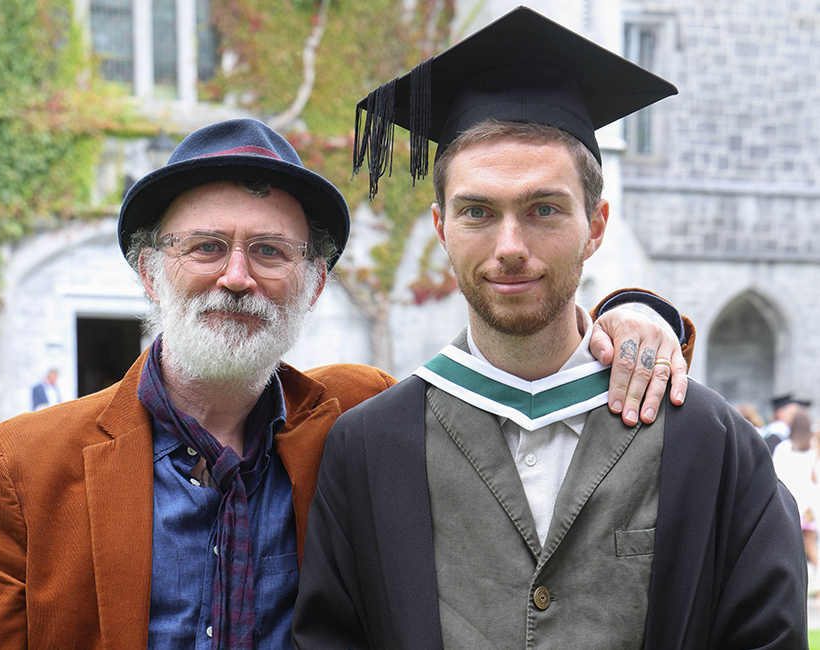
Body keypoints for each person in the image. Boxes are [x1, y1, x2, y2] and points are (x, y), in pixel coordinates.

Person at [0, 118, 690, 649]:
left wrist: (632, 313)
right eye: (206, 247)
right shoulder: (24, 467)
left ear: (314, 282)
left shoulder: (357, 420)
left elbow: (513, 379)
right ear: (148, 270)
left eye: (270, 251)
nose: (237, 276)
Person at [293, 8, 806, 649]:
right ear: (441, 228)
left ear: (596, 226)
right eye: (477, 211)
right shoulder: (370, 450)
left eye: (544, 209)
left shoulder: (707, 442)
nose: (510, 246)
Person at [773, 408, 820, 592]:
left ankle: (793, 590)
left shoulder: (784, 448)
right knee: (811, 548)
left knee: (790, 549)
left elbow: (776, 475)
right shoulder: (814, 448)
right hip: (810, 507)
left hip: (790, 504)